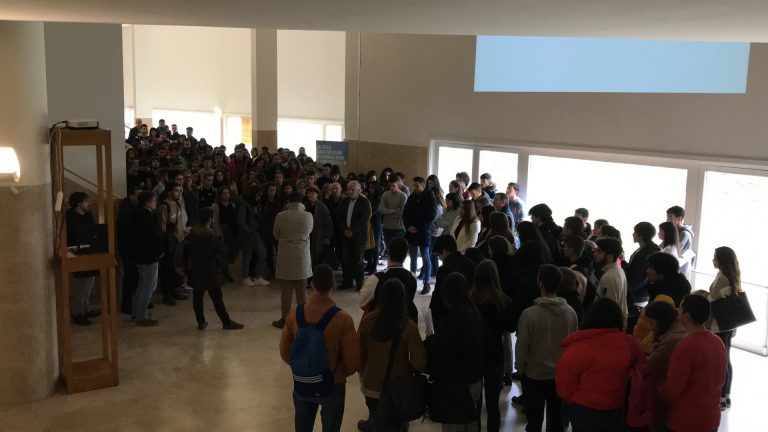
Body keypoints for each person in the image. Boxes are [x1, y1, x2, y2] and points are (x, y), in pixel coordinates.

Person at [279, 264, 359, 432]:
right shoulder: (343, 319)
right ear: (334, 285)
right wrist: (337, 372)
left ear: (312, 284)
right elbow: (353, 362)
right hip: (332, 383)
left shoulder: (294, 314)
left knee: (302, 426)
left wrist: (304, 365)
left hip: (302, 380)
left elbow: (285, 351)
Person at [556, 298, 646, 432]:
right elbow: (642, 370)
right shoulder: (630, 344)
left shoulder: (579, 346)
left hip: (584, 408)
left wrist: (573, 399)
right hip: (615, 406)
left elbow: (564, 382)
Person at [357, 279, 427, 432]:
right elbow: (420, 362)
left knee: (376, 413)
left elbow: (361, 351)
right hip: (399, 387)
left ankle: (373, 423)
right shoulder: (408, 327)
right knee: (397, 422)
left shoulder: (368, 321)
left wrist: (362, 372)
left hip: (371, 384)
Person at [516, 264, 578, 432]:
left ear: (540, 283)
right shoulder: (570, 312)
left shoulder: (530, 314)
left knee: (534, 420)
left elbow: (521, 346)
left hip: (534, 374)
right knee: (556, 418)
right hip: (559, 374)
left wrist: (520, 368)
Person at [424, 273, 484, 431]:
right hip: (475, 377)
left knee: (455, 424)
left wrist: (431, 339)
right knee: (471, 421)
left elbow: (445, 352)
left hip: (457, 383)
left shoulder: (454, 318)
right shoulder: (473, 310)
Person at [661, 295, 726, 432]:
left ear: (687, 316)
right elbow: (722, 377)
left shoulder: (685, 347)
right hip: (711, 417)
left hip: (686, 420)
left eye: (681, 308)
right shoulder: (718, 342)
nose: (678, 310)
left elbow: (673, 388)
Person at [471, 260, 518, 432]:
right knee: (493, 404)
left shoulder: (471, 299)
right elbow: (511, 326)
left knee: (474, 403)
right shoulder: (503, 300)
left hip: (474, 353)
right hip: (495, 354)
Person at [180, 208, 243, 330]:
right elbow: (223, 251)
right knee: (217, 297)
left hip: (196, 269)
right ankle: (226, 321)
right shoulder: (210, 235)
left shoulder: (192, 233)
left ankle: (201, 321)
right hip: (211, 271)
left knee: (198, 297)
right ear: (210, 219)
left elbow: (185, 252)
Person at [272, 192, 314, 329]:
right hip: (302, 256)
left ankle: (284, 319)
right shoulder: (308, 216)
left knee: (286, 291)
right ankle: (304, 319)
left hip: (286, 255)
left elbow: (275, 234)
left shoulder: (281, 216)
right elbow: (309, 232)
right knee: (302, 290)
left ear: (288, 202)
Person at [642, 301, 686, 430]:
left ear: (660, 321)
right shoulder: (678, 330)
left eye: (651, 322)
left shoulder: (671, 341)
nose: (650, 327)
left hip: (666, 397)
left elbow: (649, 364)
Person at [708, 246, 742, 411]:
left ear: (720, 260)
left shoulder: (722, 278)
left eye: (714, 257)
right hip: (729, 324)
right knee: (727, 359)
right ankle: (726, 395)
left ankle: (720, 397)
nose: (712, 260)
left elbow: (712, 299)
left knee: (721, 361)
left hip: (719, 325)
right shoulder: (733, 276)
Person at [359, 237, 418, 323]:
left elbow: (362, 303)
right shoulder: (412, 277)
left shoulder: (375, 279)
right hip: (406, 321)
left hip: (381, 323)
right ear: (405, 255)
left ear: (388, 253)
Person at [66, 192, 99, 326]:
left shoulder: (88, 215)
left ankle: (87, 307)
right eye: (86, 201)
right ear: (79, 203)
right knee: (81, 285)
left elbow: (93, 231)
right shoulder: (70, 216)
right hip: (76, 252)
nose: (89, 204)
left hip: (90, 250)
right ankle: (78, 312)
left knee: (90, 282)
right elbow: (73, 235)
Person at [131, 191, 164, 326]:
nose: (155, 203)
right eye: (154, 200)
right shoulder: (148, 217)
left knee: (142, 285)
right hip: (149, 255)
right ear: (148, 202)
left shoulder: (136, 214)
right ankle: (142, 315)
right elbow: (153, 237)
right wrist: (160, 251)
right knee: (148, 286)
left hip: (139, 254)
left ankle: (137, 312)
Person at [430, 234, 475, 332]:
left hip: (450, 315)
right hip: (470, 312)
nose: (440, 259)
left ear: (445, 252)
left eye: (439, 255)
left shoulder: (444, 269)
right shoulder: (469, 262)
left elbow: (438, 298)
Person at [403, 176, 437, 294]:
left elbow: (431, 215)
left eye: (417, 186)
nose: (415, 188)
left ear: (423, 186)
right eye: (414, 186)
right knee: (412, 258)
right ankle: (412, 281)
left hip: (424, 231)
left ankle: (427, 283)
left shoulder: (430, 197)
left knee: (426, 257)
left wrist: (417, 226)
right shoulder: (411, 197)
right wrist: (408, 226)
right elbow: (405, 214)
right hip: (411, 231)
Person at [335, 181, 372, 290]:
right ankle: (347, 282)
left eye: (352, 190)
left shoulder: (364, 202)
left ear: (359, 191)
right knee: (346, 260)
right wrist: (345, 230)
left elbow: (364, 219)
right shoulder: (344, 201)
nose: (350, 192)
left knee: (358, 260)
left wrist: (352, 231)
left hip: (358, 236)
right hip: (345, 235)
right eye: (349, 189)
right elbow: (338, 216)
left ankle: (360, 284)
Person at [157, 182, 189, 305]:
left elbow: (180, 221)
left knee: (176, 267)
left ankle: (175, 289)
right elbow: (162, 227)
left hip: (179, 239)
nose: (179, 192)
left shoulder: (179, 203)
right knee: (167, 268)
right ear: (170, 192)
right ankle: (167, 293)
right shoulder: (165, 206)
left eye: (180, 190)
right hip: (169, 241)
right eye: (176, 190)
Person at [237, 184, 270, 287]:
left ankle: (259, 276)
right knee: (248, 255)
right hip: (248, 233)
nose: (259, 197)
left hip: (256, 232)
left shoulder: (257, 203)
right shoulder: (244, 204)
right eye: (258, 194)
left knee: (262, 253)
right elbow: (240, 220)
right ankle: (245, 277)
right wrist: (248, 230)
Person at [593, 237, 628, 326]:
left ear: (610, 257)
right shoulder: (619, 270)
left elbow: (607, 312)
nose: (595, 254)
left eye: (599, 251)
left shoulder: (608, 277)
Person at [625, 222, 661, 304]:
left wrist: (625, 289)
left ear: (641, 235)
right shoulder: (642, 248)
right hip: (635, 292)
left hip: (638, 295)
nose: (632, 234)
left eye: (635, 232)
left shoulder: (648, 253)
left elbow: (640, 277)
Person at [304, 186, 334, 268]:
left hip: (319, 235)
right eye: (309, 193)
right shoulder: (304, 206)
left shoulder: (322, 207)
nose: (310, 195)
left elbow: (328, 223)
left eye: (313, 193)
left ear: (317, 194)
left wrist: (327, 237)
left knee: (318, 256)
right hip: (307, 235)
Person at [666, 205, 695, 280]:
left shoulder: (684, 234)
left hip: (680, 270)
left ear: (679, 218)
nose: (667, 220)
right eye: (667, 217)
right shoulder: (673, 231)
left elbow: (673, 252)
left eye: (670, 217)